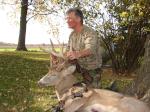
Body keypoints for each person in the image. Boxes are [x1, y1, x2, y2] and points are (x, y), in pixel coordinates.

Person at [65, 8, 102, 88]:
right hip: (79, 65)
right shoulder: (72, 35)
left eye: (69, 18)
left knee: (93, 92)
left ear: (78, 19)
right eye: (66, 19)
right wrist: (57, 58)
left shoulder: (90, 32)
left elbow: (90, 50)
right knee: (63, 71)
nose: (67, 21)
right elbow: (67, 51)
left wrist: (77, 54)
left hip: (92, 67)